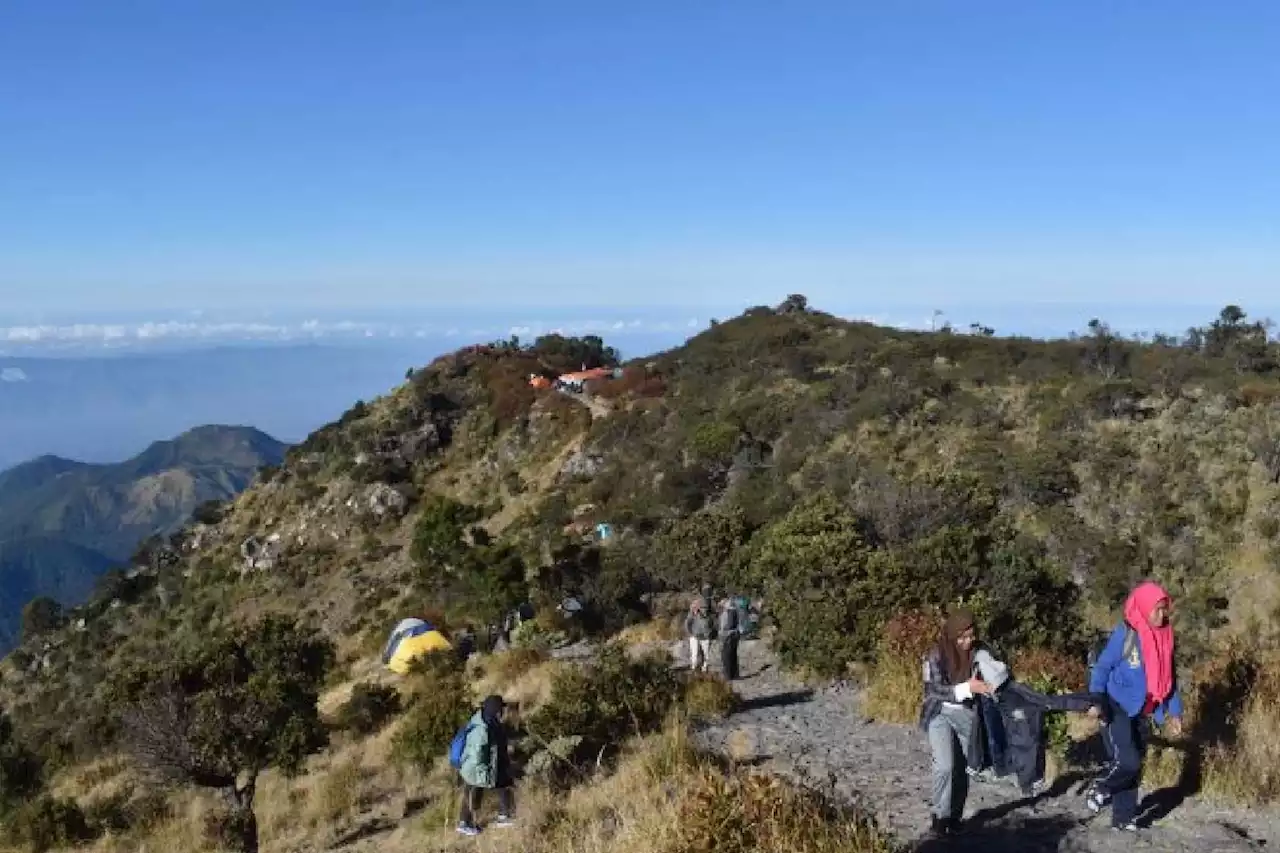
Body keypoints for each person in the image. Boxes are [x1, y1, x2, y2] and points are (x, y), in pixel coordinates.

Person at [1085, 581, 1183, 832]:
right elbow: (1103, 667)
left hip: (1143, 709)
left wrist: (1174, 712)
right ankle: (1101, 787)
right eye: (1157, 609)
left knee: (1136, 763)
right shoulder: (1126, 633)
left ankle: (1123, 818)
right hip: (1115, 705)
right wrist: (1096, 700)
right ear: (1143, 607)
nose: (1162, 614)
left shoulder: (1166, 637)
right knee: (1127, 760)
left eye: (1165, 609)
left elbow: (1170, 678)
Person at [919, 608, 994, 837]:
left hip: (967, 715)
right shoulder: (935, 654)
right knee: (945, 765)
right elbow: (933, 690)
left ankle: (954, 816)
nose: (967, 641)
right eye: (962, 636)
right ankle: (939, 816)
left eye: (971, 635)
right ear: (952, 635)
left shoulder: (981, 652)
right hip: (939, 713)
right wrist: (967, 688)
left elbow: (995, 675)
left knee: (962, 769)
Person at [457, 695, 515, 836]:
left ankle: (503, 815)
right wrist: (484, 771)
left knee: (500, 783)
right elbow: (478, 754)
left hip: (477, 767)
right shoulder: (483, 728)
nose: (503, 711)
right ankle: (465, 824)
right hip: (476, 769)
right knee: (473, 793)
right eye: (501, 709)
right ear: (496, 710)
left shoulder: (486, 720)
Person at [685, 597, 713, 672]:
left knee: (706, 654)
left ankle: (704, 668)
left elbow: (712, 626)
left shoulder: (709, 617)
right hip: (695, 636)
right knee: (695, 653)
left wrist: (709, 633)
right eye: (703, 608)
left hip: (705, 637)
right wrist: (690, 633)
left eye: (705, 608)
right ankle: (694, 668)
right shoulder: (693, 615)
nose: (704, 609)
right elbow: (687, 624)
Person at [718, 597, 741, 680]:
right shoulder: (732, 611)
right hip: (732, 635)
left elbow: (729, 625)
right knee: (732, 655)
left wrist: (723, 631)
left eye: (723, 604)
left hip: (729, 636)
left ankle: (728, 675)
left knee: (727, 656)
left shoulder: (730, 611)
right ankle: (734, 674)